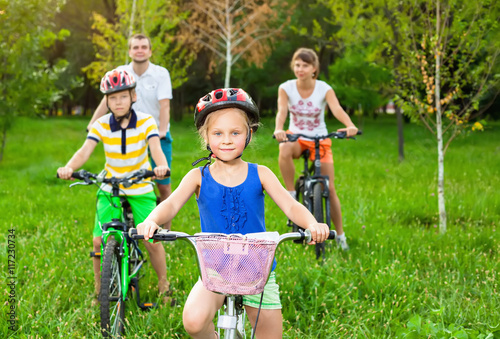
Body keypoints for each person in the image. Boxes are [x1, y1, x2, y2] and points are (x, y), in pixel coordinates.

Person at [137, 88, 330, 339]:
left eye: (235, 133)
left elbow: (291, 206)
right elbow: (171, 204)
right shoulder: (198, 176)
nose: (226, 140)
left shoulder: (260, 173)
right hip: (215, 269)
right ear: (205, 137)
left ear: (249, 135)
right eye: (218, 133)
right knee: (194, 322)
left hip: (257, 269)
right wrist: (151, 220)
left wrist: (313, 223)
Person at [58, 69, 172, 305]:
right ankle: (100, 290)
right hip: (110, 187)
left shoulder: (146, 122)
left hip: (140, 185)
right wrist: (68, 168)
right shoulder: (101, 124)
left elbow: (156, 150)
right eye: (112, 98)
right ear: (106, 101)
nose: (118, 102)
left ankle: (164, 287)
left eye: (123, 96)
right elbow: (84, 151)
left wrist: (160, 166)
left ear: (133, 96)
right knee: (99, 241)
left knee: (149, 238)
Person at [273, 48, 358, 251]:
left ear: (314, 68)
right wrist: (279, 129)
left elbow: (336, 109)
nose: (299, 69)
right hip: (297, 138)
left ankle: (340, 236)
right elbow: (282, 111)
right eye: (297, 65)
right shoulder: (286, 88)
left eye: (304, 65)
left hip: (320, 138)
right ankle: (292, 194)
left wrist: (350, 125)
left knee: (330, 189)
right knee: (284, 149)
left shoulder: (324, 89)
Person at [87, 34, 174, 228]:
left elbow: (164, 106)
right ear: (129, 51)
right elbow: (106, 100)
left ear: (150, 51)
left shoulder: (161, 74)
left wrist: (160, 132)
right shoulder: (120, 72)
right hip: (126, 130)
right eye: (135, 47)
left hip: (156, 133)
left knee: (163, 183)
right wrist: (92, 123)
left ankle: (165, 231)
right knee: (123, 179)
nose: (140, 50)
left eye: (144, 46)